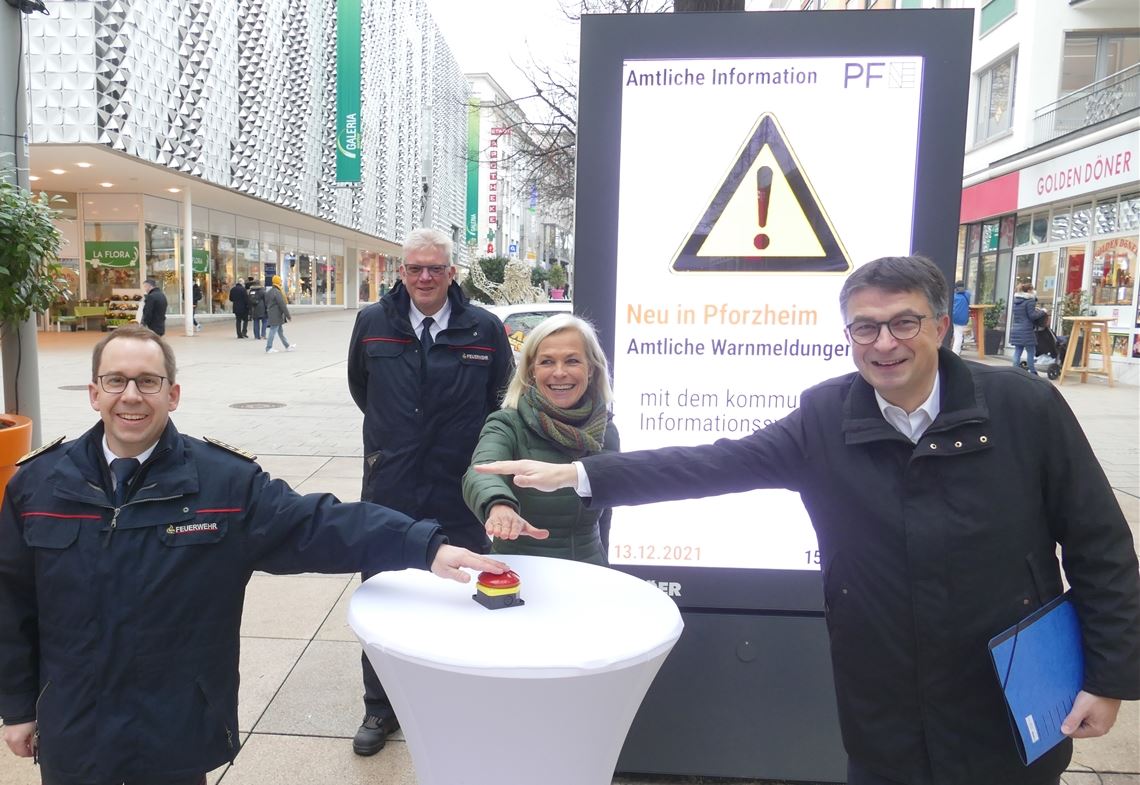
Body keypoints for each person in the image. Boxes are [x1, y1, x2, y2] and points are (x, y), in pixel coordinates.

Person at [475, 255, 1140, 785]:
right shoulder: (828, 417)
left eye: (904, 323)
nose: (884, 343)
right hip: (886, 703)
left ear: (942, 326)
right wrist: (582, 475)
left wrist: (1107, 678)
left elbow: (1101, 547)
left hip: (1006, 692)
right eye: (864, 327)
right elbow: (715, 463)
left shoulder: (1024, 409)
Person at [0, 324, 505, 785]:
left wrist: (422, 544)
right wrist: (18, 707)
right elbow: (12, 605)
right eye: (115, 381)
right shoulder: (38, 485)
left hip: (173, 727)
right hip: (74, 725)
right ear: (94, 393)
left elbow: (318, 523)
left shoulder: (224, 483)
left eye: (148, 381)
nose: (131, 396)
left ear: (173, 394)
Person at [346, 227, 514, 756]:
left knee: (463, 588)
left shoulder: (483, 328)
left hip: (458, 484)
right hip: (391, 483)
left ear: (451, 272)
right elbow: (361, 389)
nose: (424, 277)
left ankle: (455, 694)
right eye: (415, 268)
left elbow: (498, 396)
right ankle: (380, 706)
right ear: (401, 271)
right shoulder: (372, 323)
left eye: (435, 268)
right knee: (385, 591)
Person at [462, 314, 618, 563]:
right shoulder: (507, 423)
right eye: (547, 362)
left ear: (591, 369)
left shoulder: (605, 430)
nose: (559, 372)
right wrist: (499, 506)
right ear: (531, 371)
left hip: (586, 571)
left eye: (572, 361)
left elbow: (606, 512)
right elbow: (481, 471)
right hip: (517, 572)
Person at [1010, 282, 1046, 375]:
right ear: (1029, 290)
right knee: (1031, 351)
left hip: (1016, 329)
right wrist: (1043, 311)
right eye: (1032, 289)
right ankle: (1032, 372)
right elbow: (1032, 316)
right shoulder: (1030, 301)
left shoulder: (1016, 301)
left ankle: (1014, 371)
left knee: (1018, 351)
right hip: (1026, 330)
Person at [264, 275, 294, 353]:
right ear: (278, 282)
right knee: (273, 330)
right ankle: (268, 347)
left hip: (272, 313)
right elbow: (282, 305)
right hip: (276, 315)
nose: (281, 282)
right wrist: (288, 316)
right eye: (280, 281)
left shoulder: (269, 291)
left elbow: (266, 302)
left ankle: (287, 346)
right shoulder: (277, 292)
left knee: (280, 331)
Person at [951, 280, 971, 354]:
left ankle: (955, 352)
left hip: (954, 317)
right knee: (958, 335)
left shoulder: (954, 296)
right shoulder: (967, 294)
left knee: (957, 335)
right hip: (963, 318)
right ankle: (956, 352)